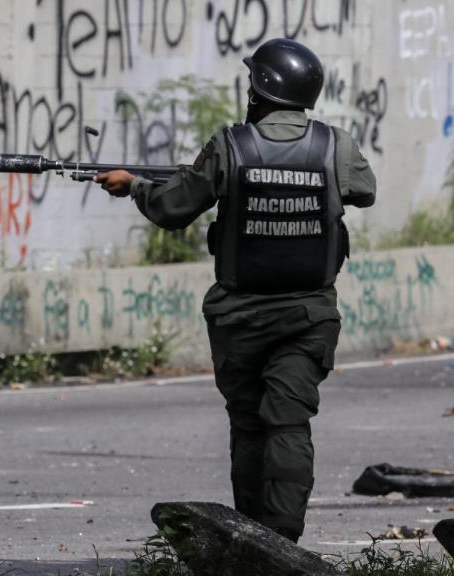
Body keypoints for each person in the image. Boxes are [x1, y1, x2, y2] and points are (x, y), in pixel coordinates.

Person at [95, 38, 376, 542]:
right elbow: (365, 190)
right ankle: (283, 543)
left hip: (239, 320)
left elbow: (173, 208)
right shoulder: (338, 146)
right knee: (288, 424)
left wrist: (135, 185)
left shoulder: (230, 146)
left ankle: (254, 540)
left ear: (262, 89)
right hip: (309, 316)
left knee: (249, 425)